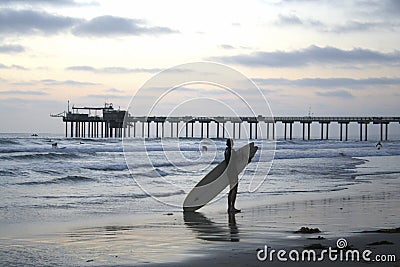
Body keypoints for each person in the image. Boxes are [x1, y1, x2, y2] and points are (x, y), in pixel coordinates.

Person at [225, 138, 241, 213]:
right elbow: (238, 160)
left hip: (228, 171)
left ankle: (229, 207)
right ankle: (232, 207)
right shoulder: (232, 151)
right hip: (233, 171)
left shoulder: (226, 151)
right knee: (234, 189)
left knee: (231, 189)